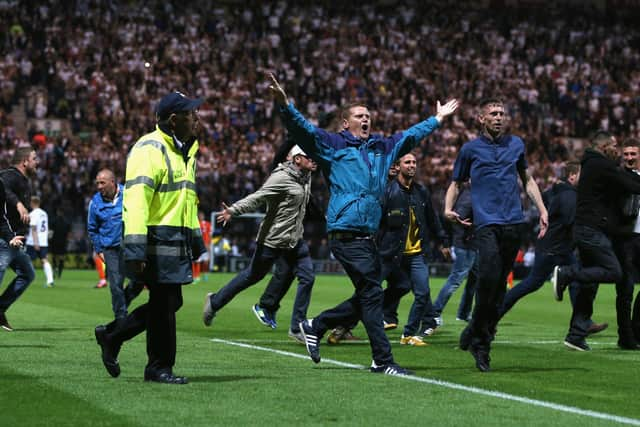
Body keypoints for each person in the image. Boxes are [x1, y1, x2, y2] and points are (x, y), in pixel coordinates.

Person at [268, 73, 459, 375]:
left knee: (369, 294)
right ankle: (382, 360)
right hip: (344, 232)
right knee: (372, 294)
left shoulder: (381, 148)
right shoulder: (333, 145)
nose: (366, 119)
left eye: (368, 116)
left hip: (367, 235)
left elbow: (410, 136)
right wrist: (284, 105)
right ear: (346, 123)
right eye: (359, 116)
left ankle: (315, 325)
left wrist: (436, 119)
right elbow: (303, 131)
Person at [94, 91, 206, 384]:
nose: (197, 118)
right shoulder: (148, 149)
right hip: (155, 240)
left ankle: (112, 335)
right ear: (173, 120)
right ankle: (157, 366)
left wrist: (195, 239)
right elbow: (136, 201)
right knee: (166, 302)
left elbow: (187, 199)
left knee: (168, 303)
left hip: (174, 239)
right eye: (190, 113)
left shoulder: (185, 150)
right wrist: (135, 250)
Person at [449, 98, 548, 372]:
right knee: (489, 278)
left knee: (498, 288)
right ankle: (482, 345)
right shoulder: (470, 149)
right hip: (486, 223)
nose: (498, 117)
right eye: (493, 113)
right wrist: (448, 209)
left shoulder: (516, 144)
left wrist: (542, 209)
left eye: (502, 113)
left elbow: (528, 179)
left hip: (513, 223)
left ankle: (474, 330)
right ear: (481, 118)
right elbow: (456, 184)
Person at [202, 145, 316, 339]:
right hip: (272, 239)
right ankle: (215, 302)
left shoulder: (306, 177)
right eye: (309, 156)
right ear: (297, 159)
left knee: (308, 277)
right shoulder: (280, 177)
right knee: (251, 276)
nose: (314, 160)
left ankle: (297, 327)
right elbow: (258, 197)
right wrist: (233, 210)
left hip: (295, 240)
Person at [552, 131, 640, 352]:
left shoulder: (596, 165)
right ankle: (566, 274)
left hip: (596, 230)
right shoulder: (606, 167)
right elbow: (629, 186)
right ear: (604, 147)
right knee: (618, 277)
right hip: (604, 233)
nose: (622, 153)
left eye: (631, 153)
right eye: (617, 147)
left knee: (590, 286)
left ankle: (576, 335)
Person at [378, 152, 450, 346]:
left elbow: (432, 219)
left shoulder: (421, 191)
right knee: (370, 291)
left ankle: (408, 334)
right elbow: (378, 223)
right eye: (407, 162)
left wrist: (443, 240)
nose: (412, 165)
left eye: (414, 162)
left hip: (416, 253)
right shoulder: (388, 191)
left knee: (423, 292)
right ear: (398, 166)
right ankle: (343, 324)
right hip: (391, 254)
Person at [87, 169, 142, 322]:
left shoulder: (129, 194)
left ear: (113, 182)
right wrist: (99, 250)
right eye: (97, 183)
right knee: (116, 284)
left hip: (131, 245)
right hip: (110, 249)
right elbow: (92, 229)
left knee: (140, 280)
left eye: (102, 183)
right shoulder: (95, 202)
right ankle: (120, 316)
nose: (99, 186)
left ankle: (123, 302)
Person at [0, 146, 38, 331]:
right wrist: (18, 204)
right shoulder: (9, 175)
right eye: (34, 158)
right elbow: (3, 187)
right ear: (24, 161)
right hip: (4, 238)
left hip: (15, 240)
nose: (37, 162)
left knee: (28, 273)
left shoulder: (23, 180)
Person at [432, 182, 477, 325]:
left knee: (474, 280)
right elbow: (458, 219)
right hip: (465, 244)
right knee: (455, 280)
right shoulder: (469, 197)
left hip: (473, 243)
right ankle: (435, 312)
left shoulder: (471, 194)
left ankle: (464, 312)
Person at [610, 138, 640, 349]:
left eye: (633, 154)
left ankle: (635, 331)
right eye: (626, 154)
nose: (629, 158)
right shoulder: (619, 178)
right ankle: (625, 337)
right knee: (626, 290)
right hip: (627, 238)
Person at [25, 196, 55, 287]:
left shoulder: (33, 214)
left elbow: (34, 228)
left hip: (33, 241)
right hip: (43, 241)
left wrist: (35, 242)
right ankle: (50, 281)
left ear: (32, 203)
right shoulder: (44, 213)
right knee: (44, 260)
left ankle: (26, 279)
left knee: (26, 260)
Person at [49, 207, 71, 279]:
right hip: (63, 242)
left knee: (54, 256)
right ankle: (59, 273)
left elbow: (50, 233)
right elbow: (68, 234)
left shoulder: (53, 221)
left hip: (54, 242)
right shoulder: (67, 222)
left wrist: (49, 240)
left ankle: (55, 269)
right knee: (62, 257)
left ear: (58, 212)